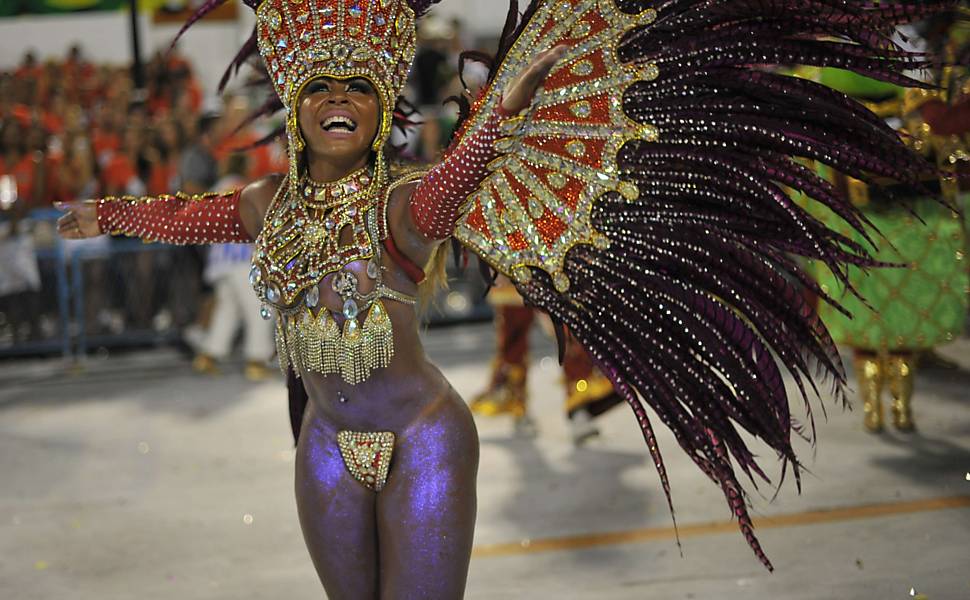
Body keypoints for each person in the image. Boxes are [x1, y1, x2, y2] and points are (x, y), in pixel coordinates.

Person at [55, 0, 950, 593]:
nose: (337, 101)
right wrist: (104, 212)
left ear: (376, 110)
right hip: (326, 443)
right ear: (295, 112)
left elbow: (457, 181)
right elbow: (186, 215)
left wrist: (506, 110)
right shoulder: (263, 206)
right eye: (320, 89)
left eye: (356, 91)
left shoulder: (405, 204)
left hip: (422, 439)